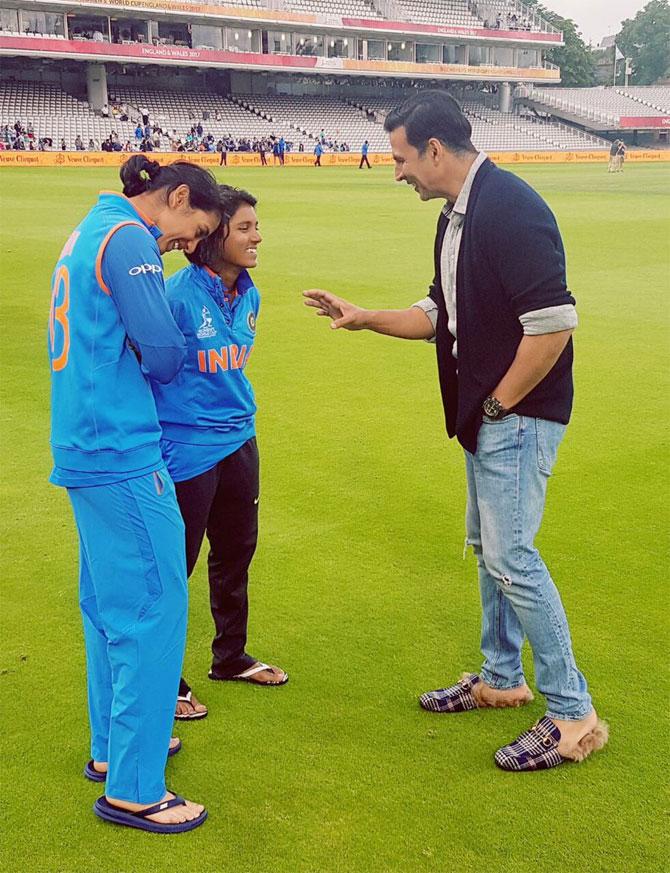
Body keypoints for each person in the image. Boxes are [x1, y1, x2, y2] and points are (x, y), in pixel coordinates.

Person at [303, 90, 608, 773]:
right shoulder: (456, 215)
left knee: (513, 556)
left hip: (517, 414)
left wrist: (498, 405)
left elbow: (554, 324)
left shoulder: (511, 208)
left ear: (435, 150)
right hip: (486, 413)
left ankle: (573, 714)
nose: (398, 171)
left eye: (402, 157)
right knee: (491, 549)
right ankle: (502, 677)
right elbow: (439, 311)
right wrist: (365, 316)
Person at [48, 155, 220, 830]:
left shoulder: (93, 226)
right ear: (174, 195)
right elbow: (166, 352)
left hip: (85, 445)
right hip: (119, 448)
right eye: (186, 232)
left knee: (108, 607)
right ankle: (135, 786)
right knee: (153, 608)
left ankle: (114, 750)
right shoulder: (127, 238)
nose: (178, 247)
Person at [150, 185, 287, 721]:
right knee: (175, 566)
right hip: (185, 450)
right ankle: (166, 678)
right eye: (246, 228)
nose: (257, 236)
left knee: (235, 554)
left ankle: (229, 657)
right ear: (212, 238)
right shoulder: (176, 296)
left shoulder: (250, 294)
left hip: (239, 440)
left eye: (256, 226)